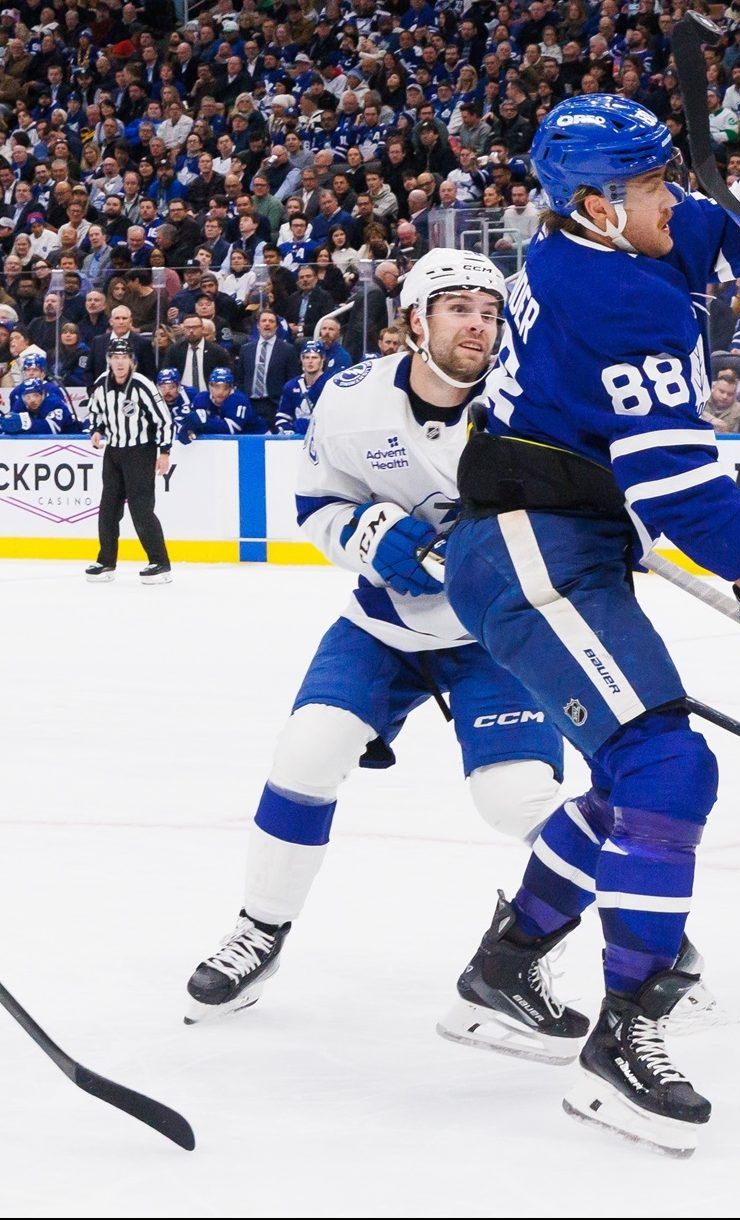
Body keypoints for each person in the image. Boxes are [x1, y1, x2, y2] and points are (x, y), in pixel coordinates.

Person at [443, 88, 740, 1156]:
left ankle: (504, 965)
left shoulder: (614, 242)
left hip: (553, 540)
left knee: (632, 778)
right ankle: (625, 1036)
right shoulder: (616, 294)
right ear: (591, 202)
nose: (673, 199)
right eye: (651, 184)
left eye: (668, 177)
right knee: (671, 769)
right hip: (531, 547)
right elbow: (677, 489)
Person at [183, 251, 572, 1065]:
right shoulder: (353, 399)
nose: (478, 324)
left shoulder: (531, 405)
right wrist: (364, 536)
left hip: (493, 638)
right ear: (413, 323)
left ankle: (634, 943)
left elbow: (576, 526)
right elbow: (317, 503)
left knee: (520, 801)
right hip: (385, 628)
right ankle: (261, 928)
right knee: (307, 751)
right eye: (458, 307)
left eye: (489, 310)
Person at [83, 337, 173, 584]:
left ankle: (160, 563)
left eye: (124, 357)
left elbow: (164, 420)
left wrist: (164, 451)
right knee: (108, 509)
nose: (120, 362)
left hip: (140, 451)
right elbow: (96, 411)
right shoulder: (101, 383)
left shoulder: (143, 385)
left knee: (141, 509)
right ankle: (106, 562)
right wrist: (97, 430)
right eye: (115, 357)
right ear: (109, 360)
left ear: (132, 361)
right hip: (113, 452)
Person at [276, 341, 334, 436]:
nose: (310, 361)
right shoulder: (291, 386)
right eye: (306, 357)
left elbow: (333, 417)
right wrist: (288, 429)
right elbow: (283, 415)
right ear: (301, 359)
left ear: (322, 359)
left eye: (314, 357)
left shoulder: (330, 384)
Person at [0, 376, 83, 434]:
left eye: (36, 395)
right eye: (27, 397)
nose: (32, 400)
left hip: (73, 435)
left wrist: (28, 424)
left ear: (43, 395)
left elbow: (52, 429)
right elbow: (13, 423)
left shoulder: (54, 403)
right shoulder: (20, 403)